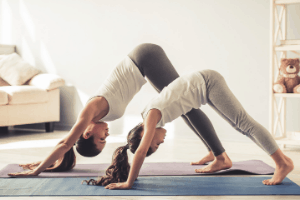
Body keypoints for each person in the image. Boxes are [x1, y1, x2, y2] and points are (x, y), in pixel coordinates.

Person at [8, 44, 224, 176]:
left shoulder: (89, 112)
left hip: (143, 58)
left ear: (87, 133)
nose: (106, 136)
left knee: (186, 106)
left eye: (100, 140)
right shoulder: (94, 117)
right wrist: (43, 162)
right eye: (105, 141)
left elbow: (66, 143)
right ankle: (214, 151)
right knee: (185, 107)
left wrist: (36, 171)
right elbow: (64, 143)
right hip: (143, 64)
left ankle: (219, 155)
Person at [83, 69, 294, 189]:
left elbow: (139, 151)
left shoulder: (151, 118)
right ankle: (219, 157)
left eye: (155, 143)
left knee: (243, 123)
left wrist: (129, 183)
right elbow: (184, 109)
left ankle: (282, 162)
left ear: (142, 134)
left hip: (208, 82)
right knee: (238, 125)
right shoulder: (149, 115)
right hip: (205, 86)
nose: (161, 142)